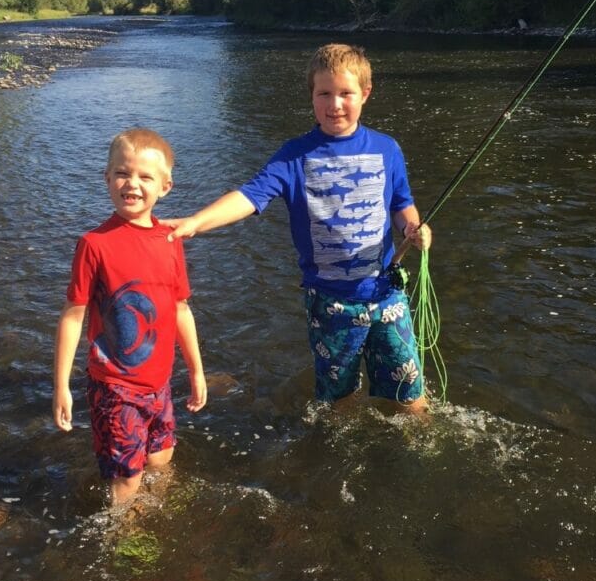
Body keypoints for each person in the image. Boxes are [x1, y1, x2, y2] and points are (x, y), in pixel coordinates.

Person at [164, 43, 431, 413]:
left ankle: (420, 450)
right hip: (330, 304)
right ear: (312, 95)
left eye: (345, 94)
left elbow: (402, 204)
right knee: (340, 403)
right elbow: (250, 196)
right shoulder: (294, 156)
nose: (334, 104)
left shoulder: (387, 149)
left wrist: (413, 228)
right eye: (324, 94)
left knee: (410, 395)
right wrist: (196, 222)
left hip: (386, 296)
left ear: (365, 94)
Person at [53, 128, 207, 508]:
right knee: (127, 477)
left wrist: (196, 370)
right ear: (107, 178)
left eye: (145, 177)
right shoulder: (95, 244)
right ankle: (123, 539)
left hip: (159, 382)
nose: (132, 184)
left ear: (165, 186)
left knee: (161, 459)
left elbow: (181, 309)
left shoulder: (170, 241)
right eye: (122, 173)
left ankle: (159, 519)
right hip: (115, 386)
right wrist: (61, 385)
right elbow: (73, 316)